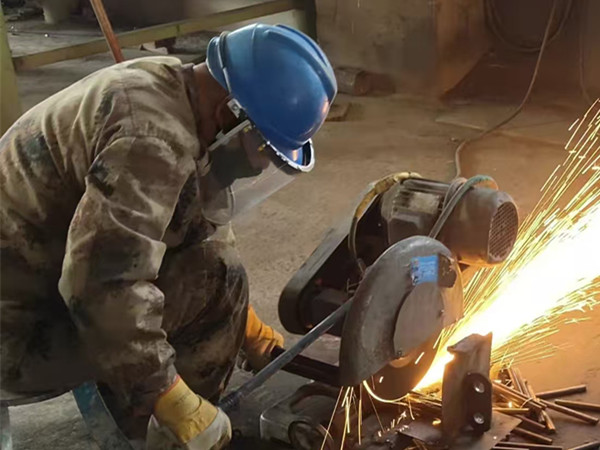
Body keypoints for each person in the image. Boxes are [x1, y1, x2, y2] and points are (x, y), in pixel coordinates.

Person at [0, 23, 337, 449]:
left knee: (220, 273)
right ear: (231, 113)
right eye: (264, 150)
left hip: (39, 277)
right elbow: (100, 287)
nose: (260, 166)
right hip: (16, 332)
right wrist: (168, 394)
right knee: (214, 282)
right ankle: (165, 429)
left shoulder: (174, 88)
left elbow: (187, 214)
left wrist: (246, 323)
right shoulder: (150, 141)